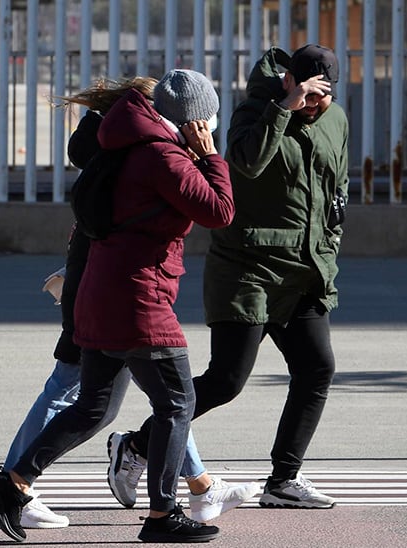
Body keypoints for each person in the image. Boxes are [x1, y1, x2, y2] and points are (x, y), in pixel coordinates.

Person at [0, 69, 240, 544]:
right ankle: (163, 515)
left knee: (93, 408)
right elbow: (219, 212)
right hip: (139, 298)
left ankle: (12, 481)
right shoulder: (162, 156)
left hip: (103, 291)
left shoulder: (122, 142)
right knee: (177, 404)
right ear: (194, 119)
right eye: (209, 118)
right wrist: (210, 156)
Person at [108, 43, 348, 510]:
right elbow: (246, 163)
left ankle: (284, 480)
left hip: (304, 271)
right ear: (288, 81)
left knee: (317, 368)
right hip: (248, 268)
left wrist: (330, 244)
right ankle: (134, 446)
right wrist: (284, 109)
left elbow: (335, 187)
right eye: (307, 91)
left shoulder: (335, 119)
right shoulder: (254, 112)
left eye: (324, 94)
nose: (316, 103)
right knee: (226, 380)